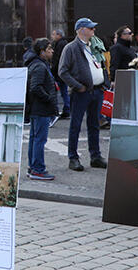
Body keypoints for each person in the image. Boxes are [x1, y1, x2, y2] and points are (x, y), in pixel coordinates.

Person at [57, 18, 107, 171]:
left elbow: (102, 63)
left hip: (96, 90)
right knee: (75, 125)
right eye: (90, 28)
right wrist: (78, 86)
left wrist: (104, 81)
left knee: (94, 125)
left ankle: (95, 156)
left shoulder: (94, 45)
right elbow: (62, 72)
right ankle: (73, 158)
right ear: (81, 30)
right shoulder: (71, 48)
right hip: (82, 92)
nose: (93, 30)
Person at [25, 38, 62, 181]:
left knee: (35, 139)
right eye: (49, 49)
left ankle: (32, 167)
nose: (52, 51)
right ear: (42, 52)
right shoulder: (40, 66)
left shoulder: (36, 64)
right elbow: (35, 87)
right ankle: (38, 169)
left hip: (36, 108)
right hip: (41, 109)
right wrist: (48, 98)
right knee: (39, 139)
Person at [50, 31, 69, 117]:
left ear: (59, 35)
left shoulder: (60, 44)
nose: (52, 36)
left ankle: (64, 110)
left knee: (60, 92)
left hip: (59, 72)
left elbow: (57, 59)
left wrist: (53, 70)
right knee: (64, 92)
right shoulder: (63, 43)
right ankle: (66, 109)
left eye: (54, 34)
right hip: (63, 71)